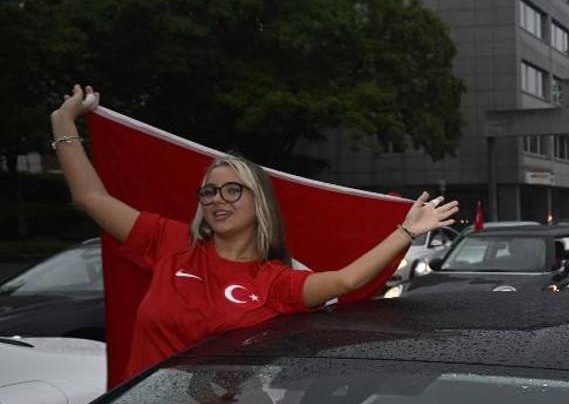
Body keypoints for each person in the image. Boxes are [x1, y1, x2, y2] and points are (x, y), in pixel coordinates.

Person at [50, 85, 459, 381]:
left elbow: (347, 280)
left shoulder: (273, 282)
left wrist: (406, 230)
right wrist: (63, 122)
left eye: (233, 190)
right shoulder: (170, 242)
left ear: (258, 202)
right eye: (209, 191)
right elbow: (90, 197)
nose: (218, 199)